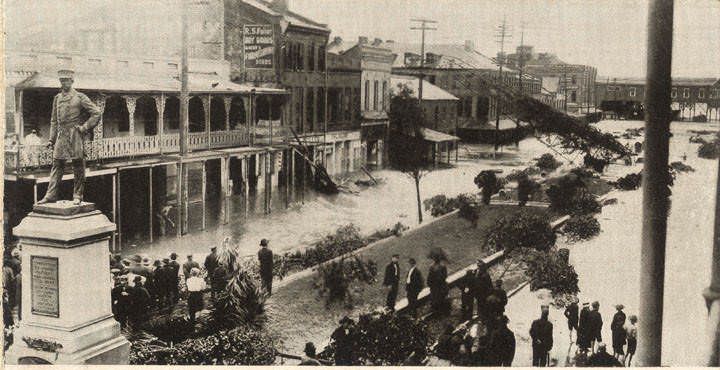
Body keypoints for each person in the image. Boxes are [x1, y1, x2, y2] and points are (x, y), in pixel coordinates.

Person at [37, 69, 101, 205]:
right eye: (61, 80)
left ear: (72, 81)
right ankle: (50, 195)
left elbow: (96, 113)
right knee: (57, 164)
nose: (63, 83)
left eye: (66, 80)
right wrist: (51, 139)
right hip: (61, 135)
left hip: (75, 135)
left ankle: (78, 195)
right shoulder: (57, 98)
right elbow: (54, 121)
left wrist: (84, 128)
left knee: (78, 165)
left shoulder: (80, 97)